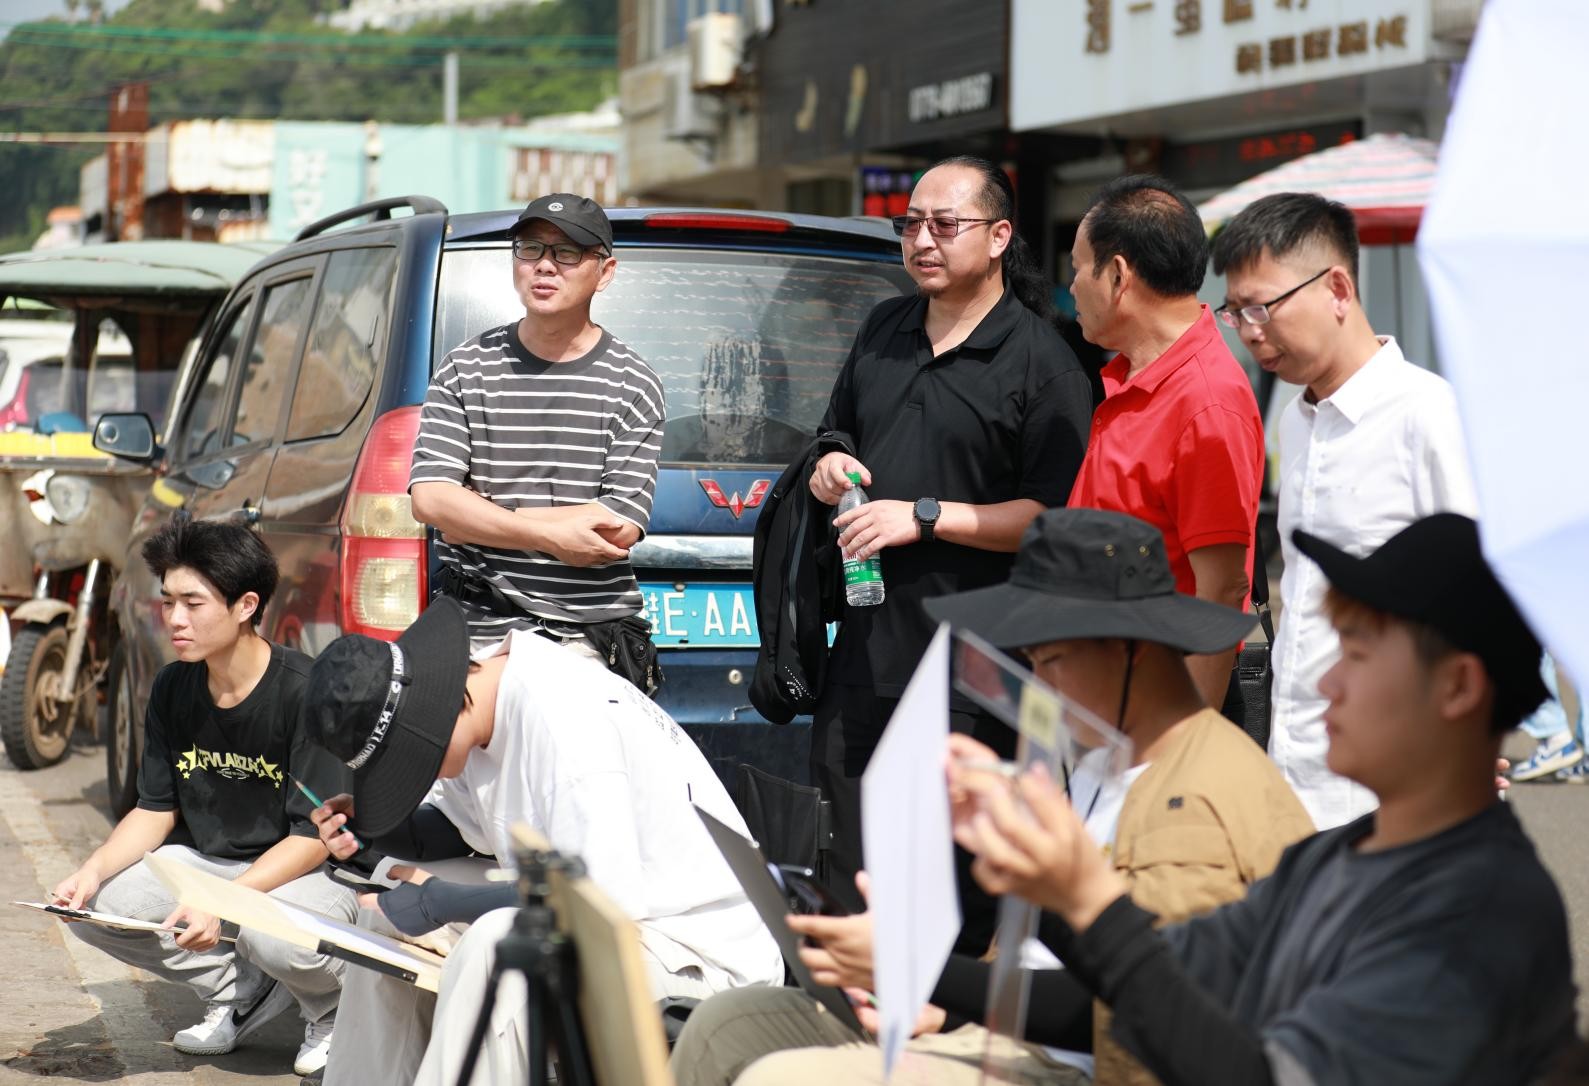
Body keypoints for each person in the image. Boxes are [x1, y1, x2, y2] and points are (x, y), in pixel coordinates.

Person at [669, 508, 1313, 1086]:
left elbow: (1140, 1011)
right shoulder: (1100, 753)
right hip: (1006, 1033)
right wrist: (945, 1005)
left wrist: (925, 974)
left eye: (1049, 658)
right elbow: (1037, 953)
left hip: (1086, 1066)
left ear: (1131, 651)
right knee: (729, 1025)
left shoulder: (1197, 803)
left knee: (786, 1077)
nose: (1037, 683)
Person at [947, 513, 1573, 1086]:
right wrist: (1033, 886)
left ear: (1457, 686)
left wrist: (1084, 895)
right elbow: (1137, 990)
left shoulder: (1476, 909)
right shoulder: (1335, 859)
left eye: (1357, 654)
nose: (1328, 682)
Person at [301, 596, 782, 1086]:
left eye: (406, 762)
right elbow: (460, 826)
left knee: (499, 948)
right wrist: (372, 829)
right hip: (618, 919)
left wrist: (439, 902)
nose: (412, 777)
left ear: (430, 719)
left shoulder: (566, 725)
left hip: (696, 955)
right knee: (384, 916)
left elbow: (592, 902)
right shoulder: (481, 702)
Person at [806, 154, 1093, 942]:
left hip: (976, 670)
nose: (921, 241)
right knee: (847, 880)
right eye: (910, 225)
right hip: (864, 648)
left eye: (944, 224)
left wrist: (925, 517)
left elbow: (1052, 516)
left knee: (951, 900)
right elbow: (836, 430)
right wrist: (829, 464)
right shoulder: (883, 327)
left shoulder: (1044, 362)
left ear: (999, 237)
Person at [50, 516, 353, 1077]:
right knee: (91, 908)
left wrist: (226, 902)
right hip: (212, 863)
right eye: (168, 601)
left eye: (193, 603)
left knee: (272, 936)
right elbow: (154, 809)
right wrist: (90, 871)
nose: (174, 619)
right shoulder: (174, 685)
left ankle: (332, 1009)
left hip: (305, 870)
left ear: (246, 606)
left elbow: (313, 837)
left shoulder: (306, 691)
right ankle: (240, 991)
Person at [1212, 191, 1478, 829]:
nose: (1249, 331)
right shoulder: (1295, 420)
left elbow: (1478, 599)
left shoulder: (1427, 413)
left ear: (1337, 289)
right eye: (1234, 312)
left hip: (1395, 786)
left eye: (1262, 307)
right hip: (1293, 771)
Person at [408, 192, 665, 658]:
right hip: (474, 625)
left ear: (605, 271)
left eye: (567, 252)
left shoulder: (633, 382)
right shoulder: (465, 367)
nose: (545, 265)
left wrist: (476, 518)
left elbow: (618, 526)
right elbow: (431, 499)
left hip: (585, 634)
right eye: (531, 249)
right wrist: (548, 535)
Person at [1066, 175, 1266, 712]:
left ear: (1117, 275)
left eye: (1077, 268)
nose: (1072, 287)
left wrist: (1184, 740)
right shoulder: (1134, 375)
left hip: (1158, 708)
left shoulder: (1205, 401)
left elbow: (1221, 590)